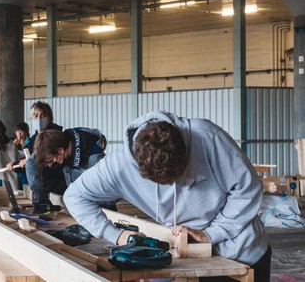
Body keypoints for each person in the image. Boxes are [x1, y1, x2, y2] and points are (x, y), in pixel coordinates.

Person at [63, 111, 271, 282]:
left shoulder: (207, 137)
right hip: (188, 261)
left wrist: (212, 233)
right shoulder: (118, 167)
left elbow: (247, 188)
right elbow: (74, 196)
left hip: (241, 251)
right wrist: (116, 235)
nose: (172, 186)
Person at [31, 128, 116, 210]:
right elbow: (31, 161)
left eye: (52, 160)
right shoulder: (65, 144)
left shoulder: (95, 161)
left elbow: (109, 198)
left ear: (60, 151)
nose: (50, 165)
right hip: (80, 210)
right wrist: (37, 189)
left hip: (102, 214)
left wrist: (78, 197)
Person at [13, 122, 31, 188]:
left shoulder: (30, 142)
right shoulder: (14, 143)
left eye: (21, 131)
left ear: (26, 132)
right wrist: (13, 145)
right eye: (17, 131)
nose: (19, 133)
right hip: (16, 170)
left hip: (26, 170)